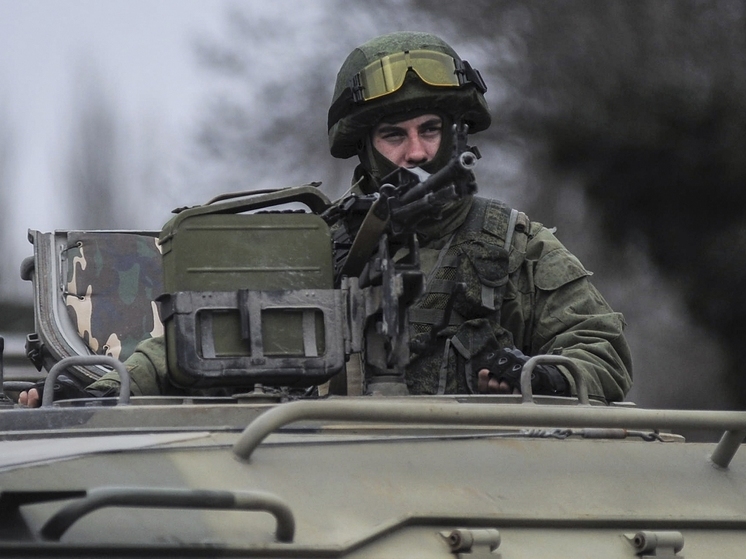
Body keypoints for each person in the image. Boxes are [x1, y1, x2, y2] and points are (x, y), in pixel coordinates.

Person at [20, 31, 632, 407]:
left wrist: (541, 376)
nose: (417, 152)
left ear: (458, 135)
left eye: (430, 130)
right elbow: (189, 343)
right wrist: (103, 388)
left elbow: (602, 354)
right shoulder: (317, 247)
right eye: (394, 135)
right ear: (365, 148)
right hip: (327, 481)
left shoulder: (514, 247)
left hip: (476, 483)